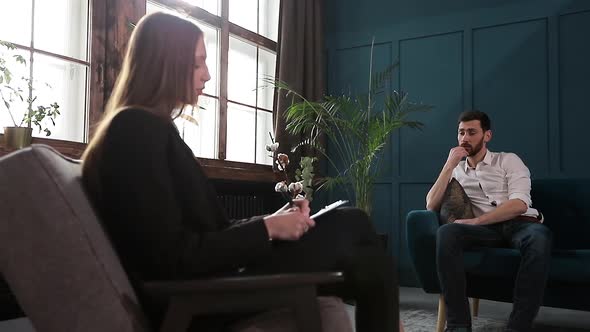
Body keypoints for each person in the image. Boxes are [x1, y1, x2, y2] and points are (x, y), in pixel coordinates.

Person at [81, 12, 399, 332]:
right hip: (200, 296)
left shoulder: (149, 129)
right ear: (165, 64)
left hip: (215, 278)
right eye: (197, 63)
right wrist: (268, 230)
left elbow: (209, 231)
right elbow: (172, 258)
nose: (206, 74)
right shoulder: (135, 131)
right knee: (352, 223)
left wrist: (272, 219)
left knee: (368, 263)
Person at [425, 111, 552, 332]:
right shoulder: (456, 170)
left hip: (520, 224)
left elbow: (520, 203)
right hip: (487, 232)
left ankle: (518, 327)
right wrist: (449, 164)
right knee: (446, 233)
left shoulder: (508, 160)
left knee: (540, 238)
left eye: (472, 132)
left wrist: (477, 221)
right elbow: (430, 205)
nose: (465, 138)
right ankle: (458, 326)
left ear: (487, 135)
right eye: (461, 133)